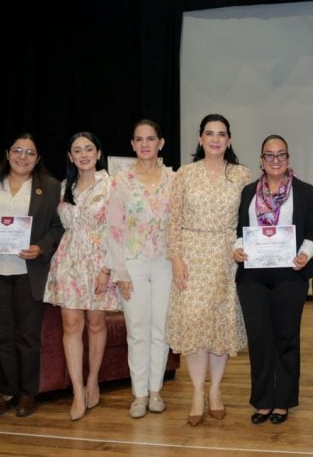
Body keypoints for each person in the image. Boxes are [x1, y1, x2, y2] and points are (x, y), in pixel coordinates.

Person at [0, 133, 63, 418]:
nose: (23, 157)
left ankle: (28, 393)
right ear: (8, 153)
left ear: (38, 158)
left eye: (30, 153)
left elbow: (58, 227)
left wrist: (41, 247)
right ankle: (8, 391)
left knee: (28, 336)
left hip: (28, 271)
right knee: (2, 335)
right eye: (18, 151)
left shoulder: (50, 186)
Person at [166, 114, 251, 426]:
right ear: (200, 139)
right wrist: (176, 258)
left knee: (219, 326)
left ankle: (215, 390)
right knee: (194, 324)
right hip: (192, 255)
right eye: (210, 133)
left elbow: (250, 219)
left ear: (229, 140)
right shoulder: (185, 174)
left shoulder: (241, 174)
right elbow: (173, 220)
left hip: (227, 257)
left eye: (221, 134)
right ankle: (196, 393)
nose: (215, 139)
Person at [233, 135, 313, 425]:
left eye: (281, 154)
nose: (275, 160)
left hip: (290, 274)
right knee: (259, 339)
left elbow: (312, 231)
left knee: (286, 337)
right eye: (269, 155)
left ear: (288, 158)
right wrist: (237, 248)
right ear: (261, 160)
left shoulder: (304, 191)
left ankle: (283, 401)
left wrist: (305, 254)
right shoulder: (248, 192)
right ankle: (262, 400)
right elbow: (240, 231)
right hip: (252, 277)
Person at [44, 131, 119, 421]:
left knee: (96, 323)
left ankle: (92, 381)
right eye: (77, 150)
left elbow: (117, 229)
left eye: (89, 149)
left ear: (98, 153)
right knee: (71, 325)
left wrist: (107, 268)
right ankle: (77, 391)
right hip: (69, 260)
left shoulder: (112, 184)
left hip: (99, 261)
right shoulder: (65, 186)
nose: (84, 154)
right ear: (70, 156)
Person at [108, 120, 176, 419]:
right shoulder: (120, 181)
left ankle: (156, 391)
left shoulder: (174, 179)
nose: (145, 144)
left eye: (150, 139)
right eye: (139, 139)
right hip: (132, 264)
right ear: (133, 144)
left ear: (161, 143)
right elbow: (113, 229)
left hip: (165, 263)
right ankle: (139, 394)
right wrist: (120, 271)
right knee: (137, 330)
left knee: (161, 329)